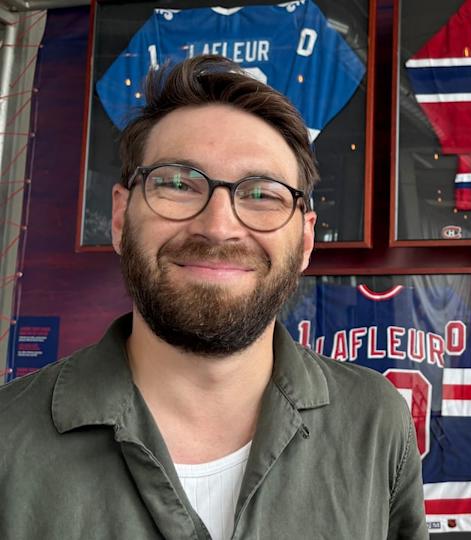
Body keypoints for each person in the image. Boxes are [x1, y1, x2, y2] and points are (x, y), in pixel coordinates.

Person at [0, 55, 427, 539]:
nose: (219, 226)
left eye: (262, 194)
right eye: (178, 184)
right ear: (120, 217)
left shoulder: (375, 422)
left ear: (306, 241)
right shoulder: (7, 442)